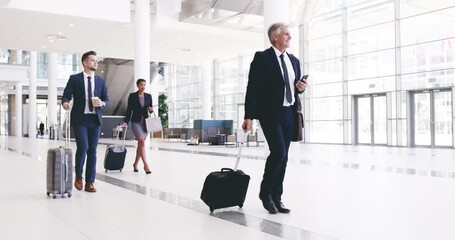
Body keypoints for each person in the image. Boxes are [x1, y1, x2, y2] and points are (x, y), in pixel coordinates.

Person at [242, 23, 308, 214]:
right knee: (278, 152)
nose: (290, 37)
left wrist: (300, 88)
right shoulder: (262, 58)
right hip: (270, 113)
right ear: (275, 37)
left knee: (284, 156)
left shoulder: (294, 60)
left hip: (289, 113)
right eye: (286, 34)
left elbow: (293, 87)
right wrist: (248, 116)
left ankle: (277, 197)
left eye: (289, 34)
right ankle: (265, 194)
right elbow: (252, 88)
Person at [62, 51, 109, 193]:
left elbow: (107, 99)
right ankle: (78, 177)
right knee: (83, 147)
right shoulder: (75, 79)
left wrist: (102, 103)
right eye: (93, 60)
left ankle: (90, 182)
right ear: (85, 63)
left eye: (96, 60)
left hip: (95, 119)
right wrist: (65, 103)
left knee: (93, 151)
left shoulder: (101, 81)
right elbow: (66, 95)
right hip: (80, 119)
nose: (96, 63)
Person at [122, 79, 153, 174]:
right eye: (141, 85)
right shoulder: (132, 96)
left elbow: (150, 109)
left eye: (144, 84)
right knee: (141, 140)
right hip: (135, 121)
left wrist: (150, 109)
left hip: (145, 122)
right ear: (137, 85)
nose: (143, 86)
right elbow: (129, 110)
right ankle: (145, 165)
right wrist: (126, 122)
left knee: (141, 144)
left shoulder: (149, 96)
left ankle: (135, 164)